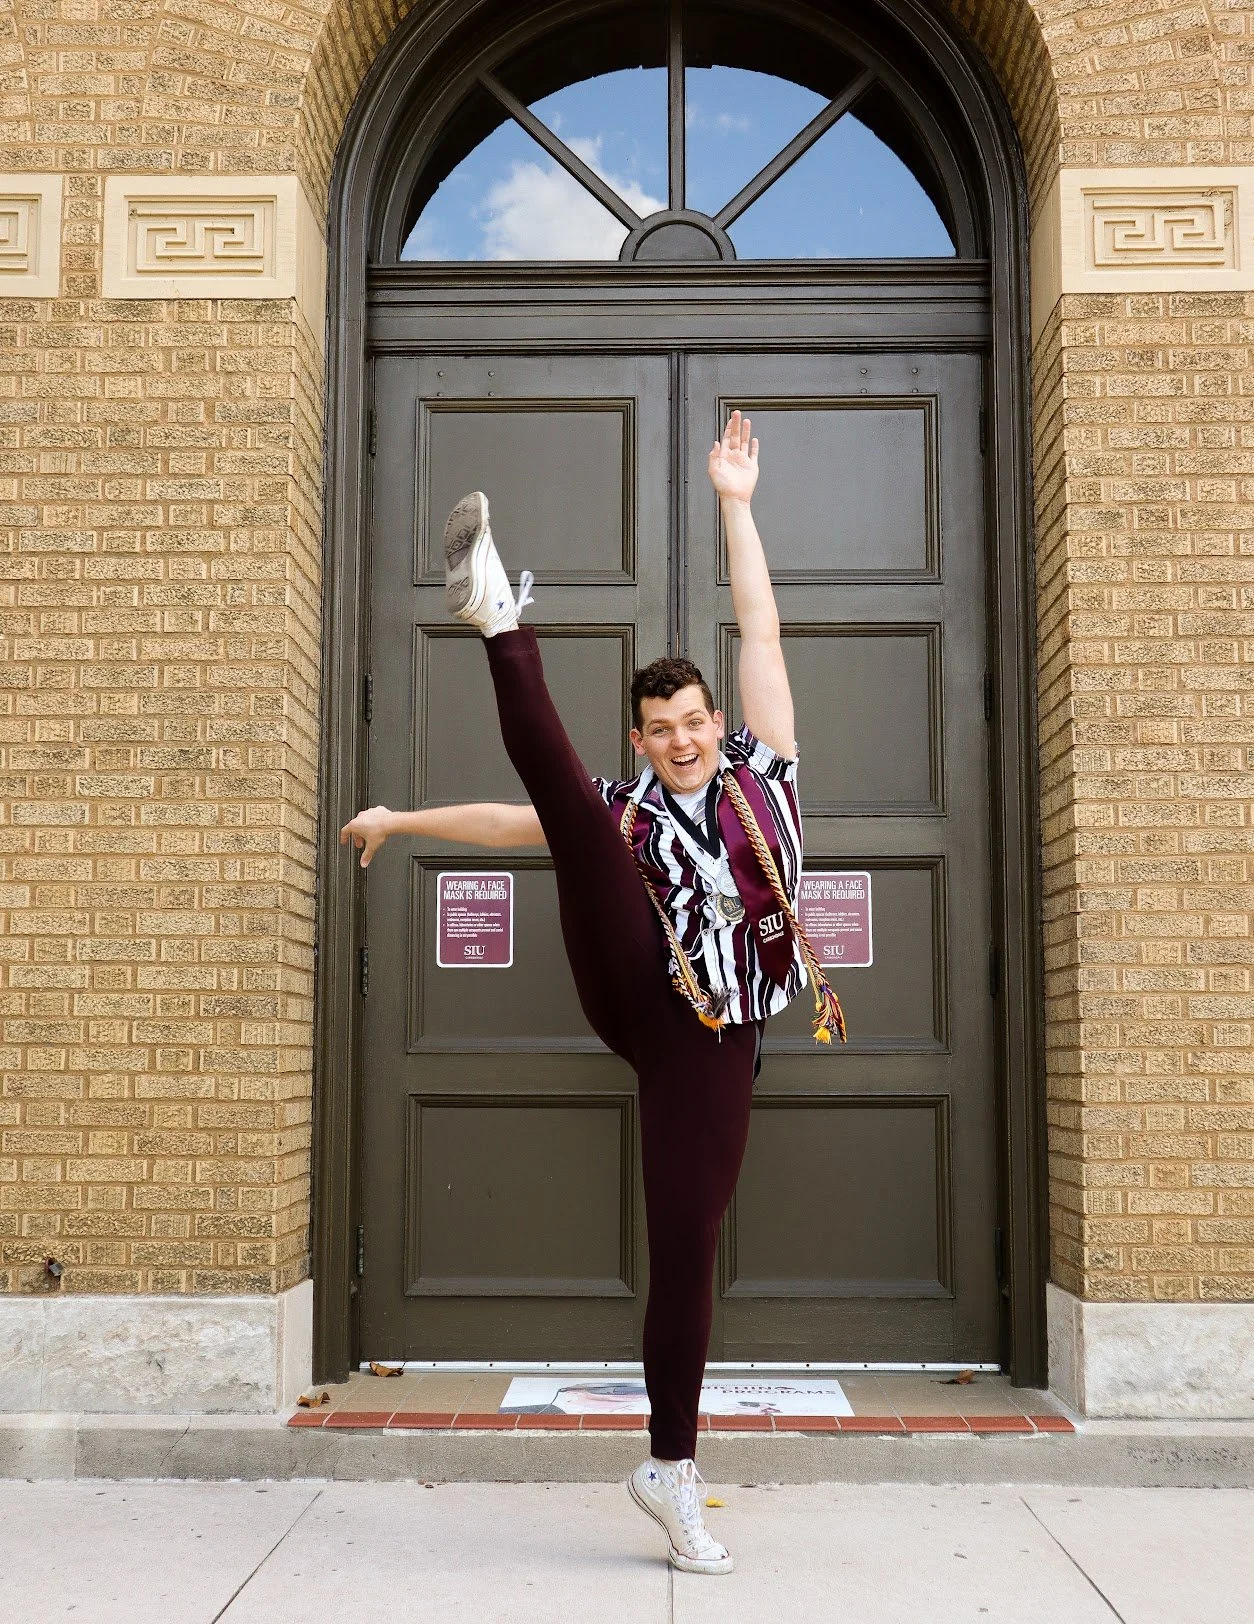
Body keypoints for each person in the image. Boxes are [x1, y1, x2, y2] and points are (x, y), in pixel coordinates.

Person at [340, 410, 843, 1576]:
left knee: (684, 1246)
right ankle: (498, 620)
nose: (678, 741)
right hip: (635, 984)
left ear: (719, 723)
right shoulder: (626, 803)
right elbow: (523, 818)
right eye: (658, 729)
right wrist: (401, 818)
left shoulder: (768, 769)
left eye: (692, 725)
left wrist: (735, 500)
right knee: (576, 820)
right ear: (642, 732)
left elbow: (759, 623)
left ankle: (669, 1469)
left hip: (713, 1043)